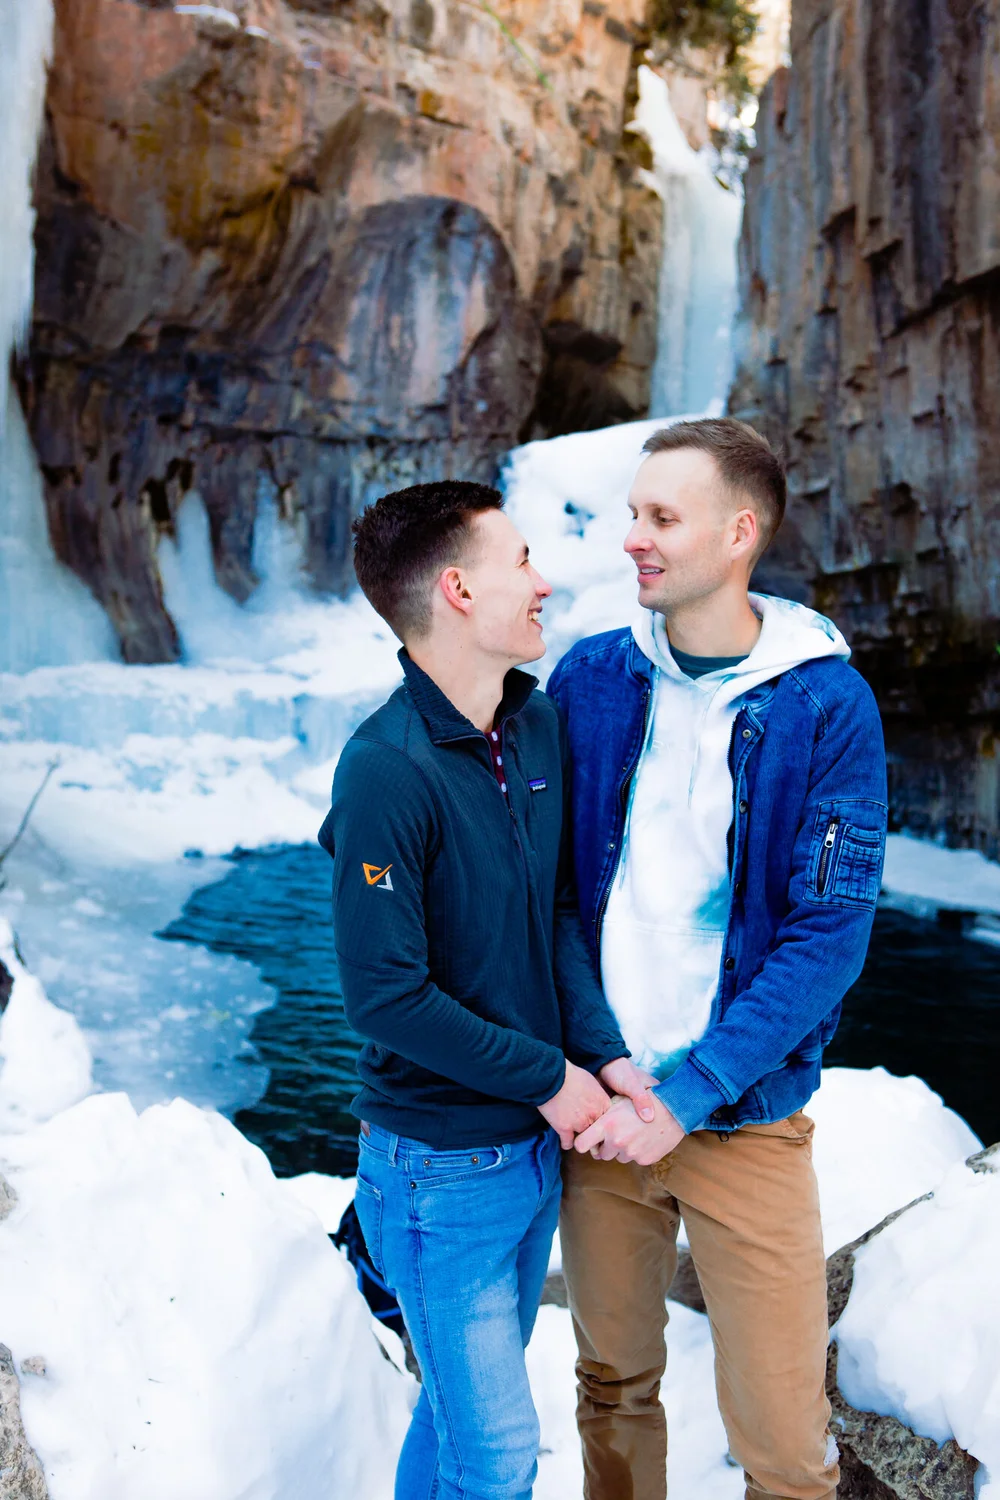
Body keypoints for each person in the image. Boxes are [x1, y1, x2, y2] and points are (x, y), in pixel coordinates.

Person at [547, 418, 888, 1500]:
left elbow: (827, 938)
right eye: (632, 514)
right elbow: (553, 898)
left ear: (739, 534)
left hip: (742, 1118)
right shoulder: (590, 678)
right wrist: (606, 1062)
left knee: (786, 1445)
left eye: (662, 517)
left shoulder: (826, 704)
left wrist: (690, 1091)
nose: (632, 539)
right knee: (611, 1386)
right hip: (605, 1114)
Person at [318, 480, 654, 1500]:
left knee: (458, 1427)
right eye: (521, 561)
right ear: (458, 591)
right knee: (499, 1457)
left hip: (531, 1157)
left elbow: (555, 914)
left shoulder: (535, 726)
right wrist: (549, 1077)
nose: (544, 582)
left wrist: (602, 1054)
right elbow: (385, 997)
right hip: (436, 1175)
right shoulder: (384, 769)